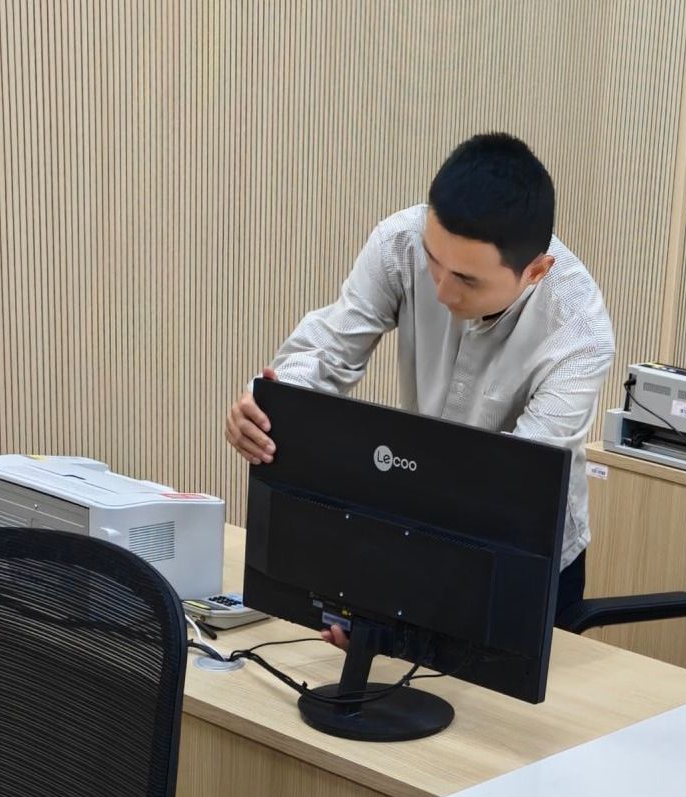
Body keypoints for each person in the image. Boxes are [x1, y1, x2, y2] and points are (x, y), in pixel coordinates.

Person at [223, 133, 614, 644]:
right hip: (420, 520)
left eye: (467, 280)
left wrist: (394, 588)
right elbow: (327, 351)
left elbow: (514, 487)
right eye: (434, 261)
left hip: (524, 549)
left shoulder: (579, 332)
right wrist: (272, 406)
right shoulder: (402, 240)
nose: (441, 290)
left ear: (536, 272)